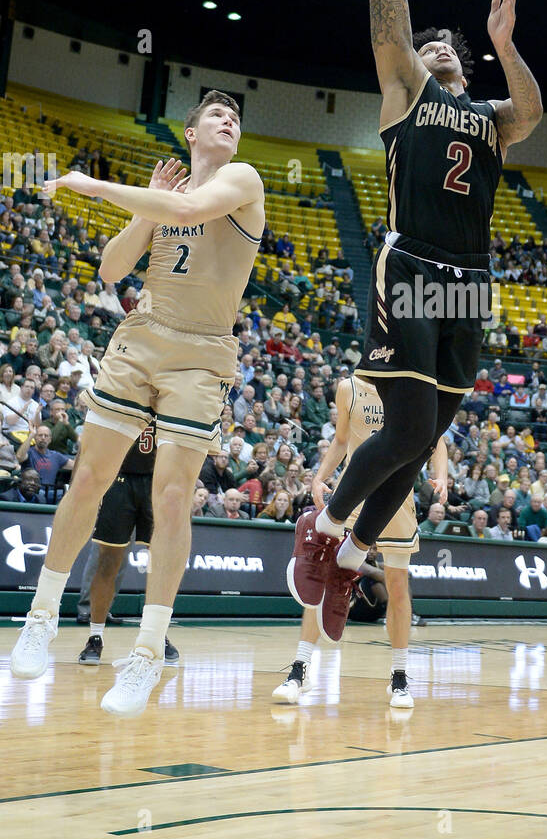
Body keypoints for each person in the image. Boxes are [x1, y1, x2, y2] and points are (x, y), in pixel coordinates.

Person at [293, 0, 542, 612]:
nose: (433, 47)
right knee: (403, 427)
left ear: (463, 64)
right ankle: (325, 526)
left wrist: (503, 44)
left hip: (470, 281)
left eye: (446, 45)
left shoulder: (489, 114)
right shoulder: (406, 89)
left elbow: (533, 109)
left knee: (425, 435)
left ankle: (354, 556)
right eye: (425, 42)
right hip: (411, 263)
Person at [11, 97, 264, 717]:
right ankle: (41, 615)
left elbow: (185, 208)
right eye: (215, 114)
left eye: (235, 116)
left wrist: (93, 186)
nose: (228, 120)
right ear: (190, 132)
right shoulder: (164, 195)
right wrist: (143, 210)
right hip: (142, 335)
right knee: (90, 477)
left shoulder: (242, 180)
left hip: (201, 355)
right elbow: (110, 269)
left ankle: (147, 651)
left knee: (173, 498)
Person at [277, 372, 448, 710]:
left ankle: (399, 677)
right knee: (322, 578)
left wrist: (440, 475)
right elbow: (341, 441)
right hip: (354, 492)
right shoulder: (348, 388)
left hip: (399, 498)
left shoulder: (410, 385)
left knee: (398, 586)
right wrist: (320, 477)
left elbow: (436, 438)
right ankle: (300, 669)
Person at [76, 421, 179, 666]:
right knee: (108, 561)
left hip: (158, 481)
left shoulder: (171, 392)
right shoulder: (125, 387)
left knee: (160, 564)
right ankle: (95, 636)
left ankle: (156, 634)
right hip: (118, 479)